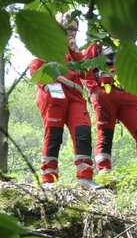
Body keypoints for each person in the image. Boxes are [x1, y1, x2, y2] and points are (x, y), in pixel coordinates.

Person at [27, 13, 96, 185]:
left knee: (83, 131)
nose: (72, 32)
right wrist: (49, 86)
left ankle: (85, 177)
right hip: (54, 95)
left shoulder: (75, 54)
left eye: (75, 29)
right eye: (69, 28)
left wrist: (75, 50)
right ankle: (49, 178)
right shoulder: (47, 46)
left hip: (75, 97)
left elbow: (87, 73)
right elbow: (35, 69)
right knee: (54, 135)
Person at [79, 30, 137, 179]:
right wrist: (94, 89)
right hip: (106, 95)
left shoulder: (129, 44)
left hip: (131, 97)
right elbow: (85, 65)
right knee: (105, 135)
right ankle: (105, 175)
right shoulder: (97, 43)